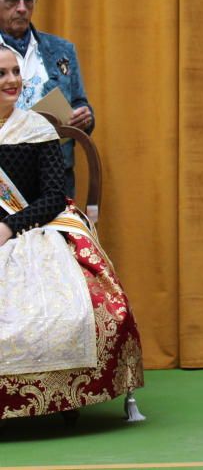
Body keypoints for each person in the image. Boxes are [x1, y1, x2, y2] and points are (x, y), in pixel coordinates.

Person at [0, 45, 143, 423]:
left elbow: (52, 196)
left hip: (36, 229)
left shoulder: (37, 129)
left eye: (16, 71)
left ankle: (67, 394)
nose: (12, 80)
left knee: (73, 305)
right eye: (2, 73)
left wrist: (10, 226)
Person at [0, 0, 95, 198]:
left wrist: (85, 116)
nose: (22, 8)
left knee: (53, 233)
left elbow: (79, 101)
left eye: (28, 0)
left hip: (53, 174)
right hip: (4, 174)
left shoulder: (61, 50)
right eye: (12, 0)